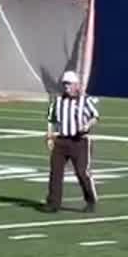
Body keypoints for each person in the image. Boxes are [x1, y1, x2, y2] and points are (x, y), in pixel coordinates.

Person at [45, 70, 100, 213]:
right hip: (62, 141)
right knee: (55, 172)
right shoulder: (58, 101)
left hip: (80, 141)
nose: (66, 87)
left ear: (76, 85)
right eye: (64, 84)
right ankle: (53, 203)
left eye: (69, 84)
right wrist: (50, 137)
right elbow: (51, 120)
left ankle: (90, 200)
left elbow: (95, 116)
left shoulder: (85, 100)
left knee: (82, 172)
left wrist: (87, 125)